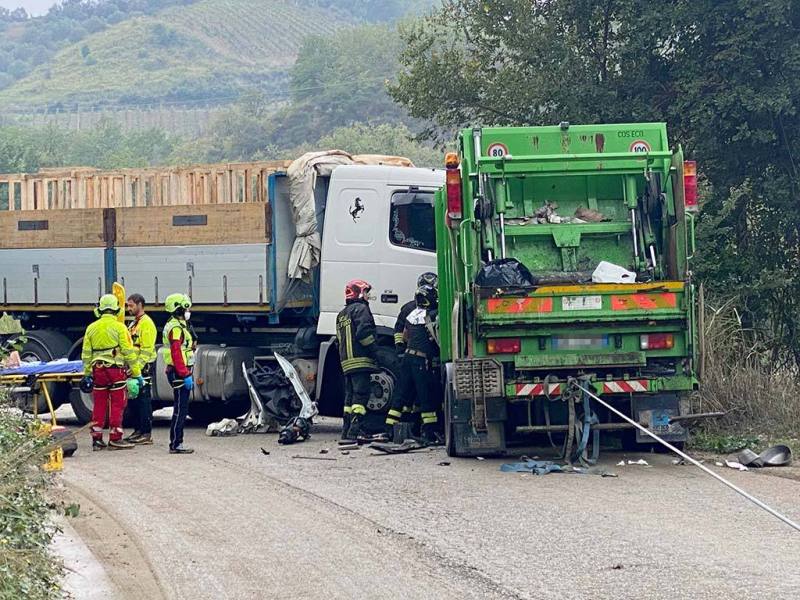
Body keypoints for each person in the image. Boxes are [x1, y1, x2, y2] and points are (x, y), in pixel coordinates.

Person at [80, 294, 142, 450]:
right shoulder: (120, 327)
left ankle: (96, 440)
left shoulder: (91, 328)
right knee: (117, 404)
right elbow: (128, 352)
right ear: (116, 309)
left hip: (98, 371)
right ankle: (115, 438)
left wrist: (87, 373)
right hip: (115, 371)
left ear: (100, 309)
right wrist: (137, 373)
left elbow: (86, 354)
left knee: (99, 405)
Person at [386, 284, 443, 445]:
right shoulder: (432, 315)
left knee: (401, 395)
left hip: (407, 359)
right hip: (420, 361)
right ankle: (430, 434)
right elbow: (436, 339)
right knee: (425, 397)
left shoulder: (411, 315)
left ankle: (389, 430)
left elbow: (404, 336)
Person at [336, 279, 377, 440]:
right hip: (361, 360)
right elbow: (363, 334)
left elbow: (340, 340)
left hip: (346, 363)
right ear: (359, 293)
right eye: (366, 292)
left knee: (349, 398)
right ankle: (355, 431)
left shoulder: (341, 314)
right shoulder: (361, 309)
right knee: (360, 397)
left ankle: (345, 431)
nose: (368, 296)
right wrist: (375, 352)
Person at [163, 293, 196, 454]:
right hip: (179, 372)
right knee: (180, 409)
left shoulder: (177, 324)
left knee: (181, 407)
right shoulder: (176, 328)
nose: (188, 311)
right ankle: (176, 443)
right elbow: (176, 351)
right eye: (186, 308)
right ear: (179, 309)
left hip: (177, 371)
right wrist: (185, 374)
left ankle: (176, 442)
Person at [123, 293, 157, 445]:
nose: (128, 308)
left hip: (143, 367)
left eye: (131, 305)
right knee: (134, 400)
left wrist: (138, 368)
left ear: (140, 304)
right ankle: (137, 430)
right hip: (134, 368)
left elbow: (146, 350)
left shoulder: (147, 324)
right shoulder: (133, 324)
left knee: (144, 400)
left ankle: (146, 432)